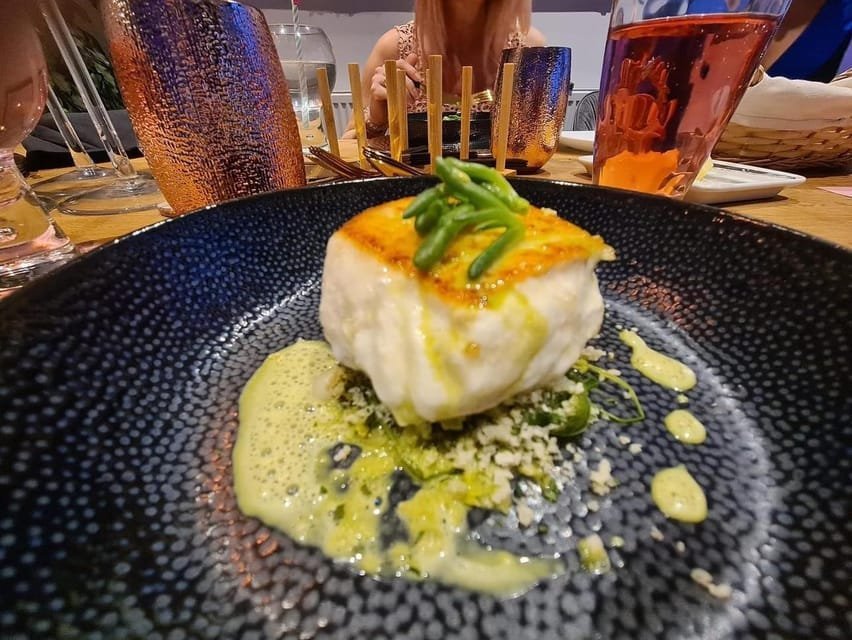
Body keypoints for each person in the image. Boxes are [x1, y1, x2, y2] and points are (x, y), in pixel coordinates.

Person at [344, 0, 545, 138]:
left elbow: (543, 147)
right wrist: (377, 119)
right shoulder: (395, 48)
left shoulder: (528, 50)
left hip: (505, 187)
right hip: (415, 187)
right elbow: (347, 148)